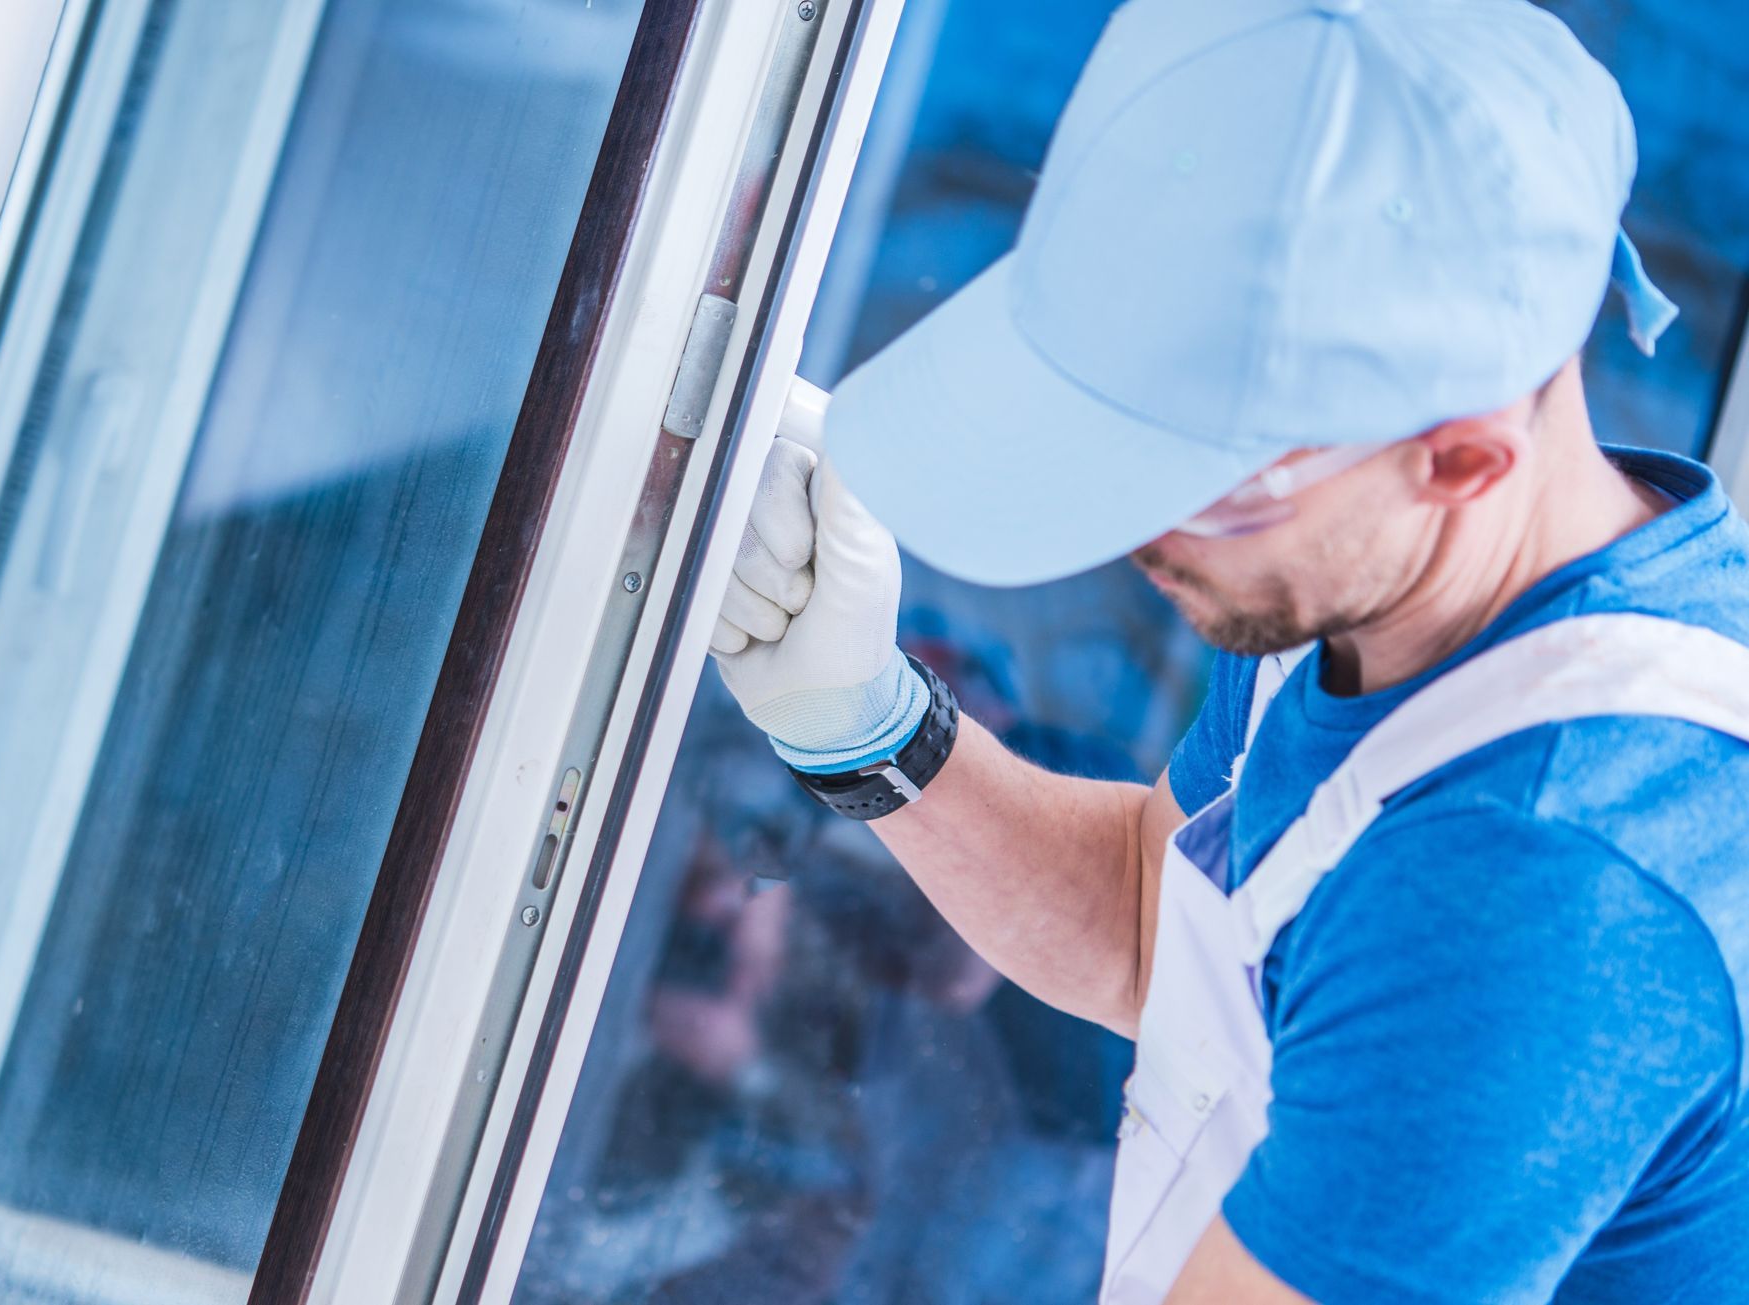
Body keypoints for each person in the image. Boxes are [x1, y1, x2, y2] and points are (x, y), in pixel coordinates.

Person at [707, 1, 1749, 1301]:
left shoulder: (1540, 890)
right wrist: (865, 726)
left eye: (1196, 486)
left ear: (1464, 456)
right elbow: (1165, 933)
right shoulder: (1357, 571)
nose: (1132, 538)